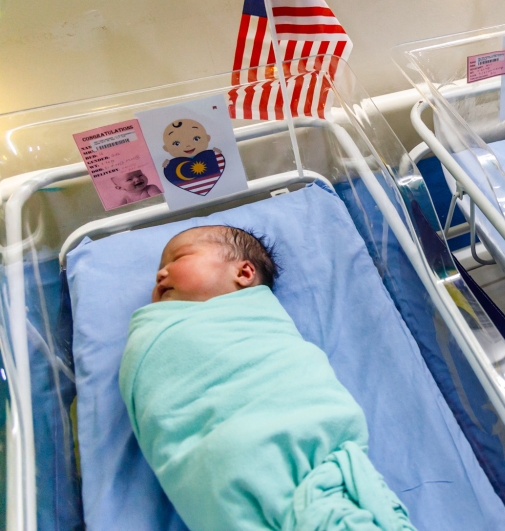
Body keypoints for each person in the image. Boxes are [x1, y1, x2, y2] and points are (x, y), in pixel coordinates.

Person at [120, 226, 416, 531]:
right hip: (214, 465)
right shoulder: (161, 330)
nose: (160, 274)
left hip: (292, 432)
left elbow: (282, 370)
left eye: (177, 259)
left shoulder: (258, 319)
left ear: (244, 273)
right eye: (160, 268)